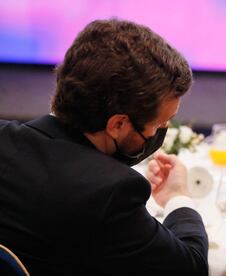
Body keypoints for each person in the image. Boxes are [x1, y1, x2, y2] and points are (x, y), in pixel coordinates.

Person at [0, 19, 208, 275]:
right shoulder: (109, 193)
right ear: (118, 124)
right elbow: (190, 267)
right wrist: (178, 197)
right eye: (159, 123)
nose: (162, 131)